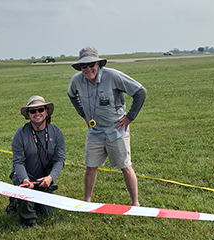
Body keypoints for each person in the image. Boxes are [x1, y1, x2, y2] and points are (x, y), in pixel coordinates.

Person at [67, 46, 147, 206]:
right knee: (90, 166)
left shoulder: (113, 76)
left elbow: (140, 92)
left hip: (116, 130)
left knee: (126, 167)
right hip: (95, 131)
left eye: (91, 65)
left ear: (98, 64)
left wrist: (130, 117)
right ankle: (87, 201)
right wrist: (83, 114)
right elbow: (71, 95)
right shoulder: (76, 80)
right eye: (84, 66)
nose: (88, 68)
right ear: (80, 67)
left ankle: (135, 203)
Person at [8, 95, 66, 226]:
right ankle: (29, 221)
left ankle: (15, 200)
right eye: (32, 111)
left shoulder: (56, 133)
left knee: (46, 212)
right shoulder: (20, 134)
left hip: (44, 178)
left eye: (40, 110)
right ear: (28, 115)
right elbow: (18, 162)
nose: (37, 113)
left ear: (46, 112)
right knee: (25, 193)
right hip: (25, 176)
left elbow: (60, 159)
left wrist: (50, 177)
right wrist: (24, 180)